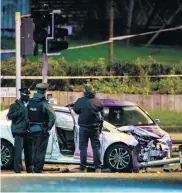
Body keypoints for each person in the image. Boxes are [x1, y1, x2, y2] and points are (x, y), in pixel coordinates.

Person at [73, 84, 103, 173]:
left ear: (85, 92)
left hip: (83, 128)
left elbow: (75, 110)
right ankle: (98, 167)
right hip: (95, 129)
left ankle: (83, 168)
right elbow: (102, 117)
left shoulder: (80, 101)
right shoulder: (98, 102)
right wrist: (100, 128)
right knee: (96, 148)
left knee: (83, 148)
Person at [27, 83, 55, 173]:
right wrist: (48, 128)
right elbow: (53, 116)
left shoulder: (30, 102)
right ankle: (38, 168)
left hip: (31, 129)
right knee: (41, 150)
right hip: (42, 130)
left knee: (33, 149)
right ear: (45, 91)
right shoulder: (44, 103)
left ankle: (31, 168)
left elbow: (26, 115)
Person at [7, 88, 32, 173]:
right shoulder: (15, 105)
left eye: (28, 94)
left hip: (28, 132)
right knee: (18, 153)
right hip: (19, 132)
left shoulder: (30, 104)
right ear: (22, 95)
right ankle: (17, 170)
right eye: (26, 94)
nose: (28, 96)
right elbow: (9, 116)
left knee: (29, 153)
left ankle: (30, 170)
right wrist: (19, 113)